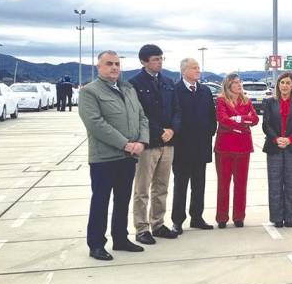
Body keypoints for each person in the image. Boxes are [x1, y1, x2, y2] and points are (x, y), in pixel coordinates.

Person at [78, 51, 148, 261]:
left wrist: (142, 142)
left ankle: (120, 238)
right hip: (104, 159)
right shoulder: (90, 92)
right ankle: (96, 244)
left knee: (122, 200)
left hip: (129, 157)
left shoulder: (128, 89)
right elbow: (96, 124)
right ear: (99, 67)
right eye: (109, 64)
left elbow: (142, 117)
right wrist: (125, 144)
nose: (114, 67)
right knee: (101, 201)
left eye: (117, 64)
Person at [129, 44, 181, 245]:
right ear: (143, 61)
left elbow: (178, 110)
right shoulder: (134, 83)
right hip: (148, 143)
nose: (159, 62)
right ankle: (142, 228)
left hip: (168, 143)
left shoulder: (168, 82)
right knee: (142, 189)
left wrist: (172, 130)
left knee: (162, 186)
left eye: (161, 58)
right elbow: (138, 114)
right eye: (155, 59)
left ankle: (158, 224)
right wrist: (159, 131)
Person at [171, 57, 217, 233]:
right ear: (184, 71)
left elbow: (211, 116)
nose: (198, 70)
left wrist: (210, 132)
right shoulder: (175, 90)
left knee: (199, 184)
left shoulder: (204, 91)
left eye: (198, 67)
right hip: (182, 147)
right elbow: (174, 115)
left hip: (201, 145)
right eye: (194, 68)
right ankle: (178, 221)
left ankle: (197, 217)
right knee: (180, 186)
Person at [262, 72, 292, 228]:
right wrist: (276, 139)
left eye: (288, 83)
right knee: (274, 184)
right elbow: (266, 124)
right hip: (274, 147)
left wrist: (290, 139)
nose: (285, 85)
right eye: (282, 82)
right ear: (278, 85)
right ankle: (276, 218)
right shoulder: (269, 102)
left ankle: (289, 218)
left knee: (291, 183)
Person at [214, 74, 259, 228]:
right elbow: (223, 120)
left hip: (243, 147)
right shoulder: (221, 100)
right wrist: (243, 121)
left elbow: (255, 119)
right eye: (236, 83)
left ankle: (239, 216)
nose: (240, 85)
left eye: (240, 82)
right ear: (228, 85)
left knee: (241, 183)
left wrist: (237, 119)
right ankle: (222, 217)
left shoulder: (246, 100)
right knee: (223, 184)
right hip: (224, 147)